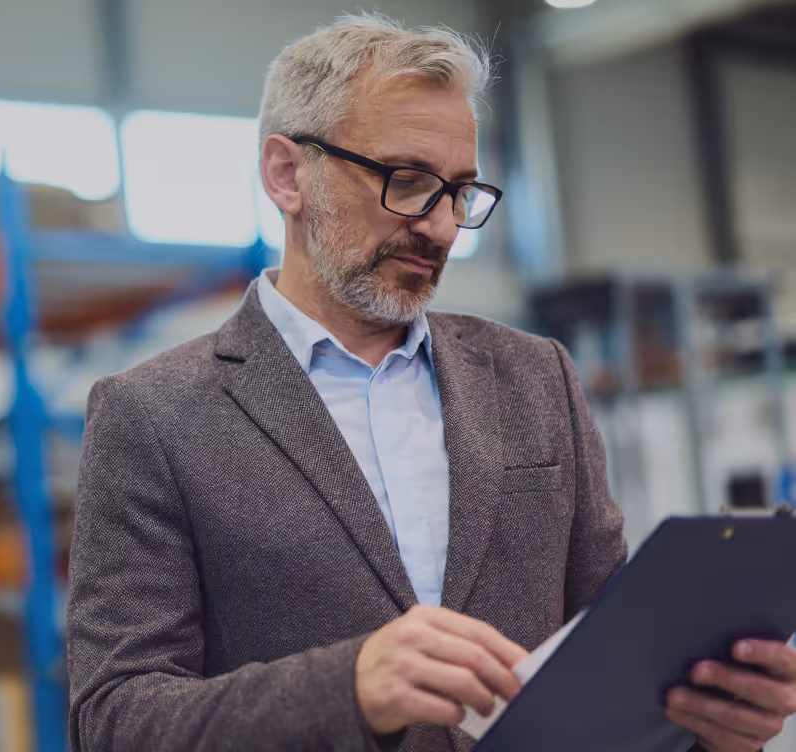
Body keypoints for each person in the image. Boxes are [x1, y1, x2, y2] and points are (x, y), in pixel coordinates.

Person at [65, 13, 796, 752]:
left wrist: (710, 729)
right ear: (287, 174)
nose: (443, 227)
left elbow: (611, 651)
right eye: (408, 182)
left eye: (460, 192)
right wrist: (346, 687)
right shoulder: (152, 416)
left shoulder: (535, 377)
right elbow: (115, 720)